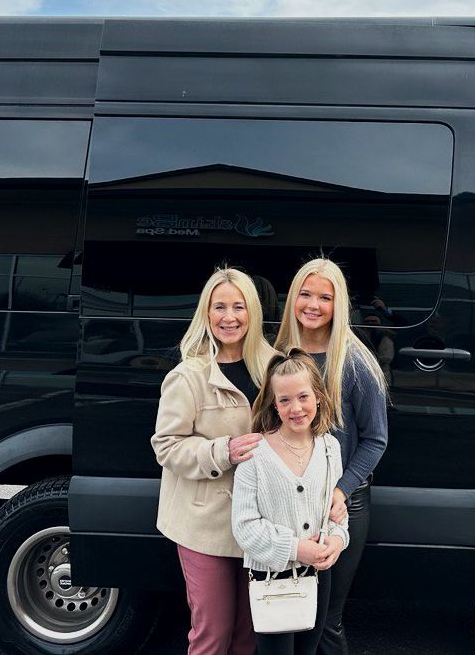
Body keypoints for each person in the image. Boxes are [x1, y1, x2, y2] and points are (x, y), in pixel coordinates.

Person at [151, 267, 274, 655]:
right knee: (213, 634)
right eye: (219, 307)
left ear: (252, 312)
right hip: (205, 525)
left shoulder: (275, 367)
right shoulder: (188, 375)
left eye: (239, 306)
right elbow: (166, 446)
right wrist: (224, 451)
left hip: (261, 522)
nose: (229, 317)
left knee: (248, 636)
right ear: (206, 312)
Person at [274, 259, 389, 655]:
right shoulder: (278, 356)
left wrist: (341, 491)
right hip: (287, 505)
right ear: (293, 298)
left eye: (325, 297)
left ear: (339, 304)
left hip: (339, 507)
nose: (313, 305)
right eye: (305, 294)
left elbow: (375, 440)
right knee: (286, 617)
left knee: (325, 622)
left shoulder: (355, 362)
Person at [231, 349, 349, 655]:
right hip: (272, 579)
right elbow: (244, 527)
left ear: (318, 397)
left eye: (303, 397)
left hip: (318, 575)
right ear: (274, 403)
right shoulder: (255, 455)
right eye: (284, 400)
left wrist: (338, 541)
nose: (295, 408)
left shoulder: (329, 448)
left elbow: (335, 514)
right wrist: (297, 549)